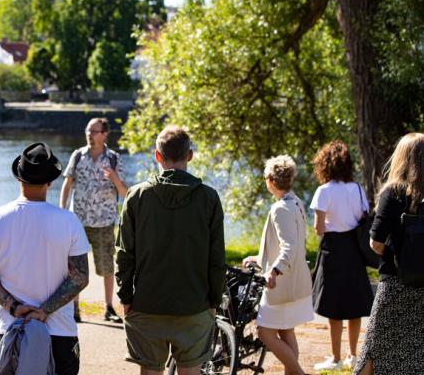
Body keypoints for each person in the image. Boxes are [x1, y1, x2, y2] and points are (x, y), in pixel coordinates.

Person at [116, 125, 226, 375]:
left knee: (150, 371)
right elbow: (216, 257)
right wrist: (214, 301)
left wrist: (125, 298)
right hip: (194, 304)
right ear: (190, 155)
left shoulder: (136, 196)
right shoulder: (209, 198)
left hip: (147, 303)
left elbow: (124, 255)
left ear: (157, 156)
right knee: (191, 370)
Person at [0, 142, 90, 375]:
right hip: (59, 331)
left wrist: (15, 307)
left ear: (19, 178)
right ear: (50, 181)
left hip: (10, 328)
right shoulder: (68, 221)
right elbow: (80, 277)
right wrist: (43, 312)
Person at [354, 133, 424, 375]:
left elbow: (376, 242)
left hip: (394, 284)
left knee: (373, 349)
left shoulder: (393, 192)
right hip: (422, 289)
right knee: (415, 354)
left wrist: (397, 253)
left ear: (401, 158)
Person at [243, 155, 313, 375]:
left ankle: (299, 373)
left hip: (281, 282)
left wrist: (272, 271)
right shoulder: (295, 202)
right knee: (285, 331)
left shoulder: (280, 208)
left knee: (265, 333)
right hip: (296, 279)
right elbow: (293, 242)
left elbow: (289, 246)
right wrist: (261, 257)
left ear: (271, 180)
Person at [310, 141, 373, 372]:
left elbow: (318, 229)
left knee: (334, 304)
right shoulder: (357, 188)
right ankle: (353, 354)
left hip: (333, 249)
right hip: (353, 249)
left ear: (325, 164)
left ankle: (335, 358)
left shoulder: (324, 190)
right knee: (354, 304)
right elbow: (362, 217)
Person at [60, 117, 127, 323]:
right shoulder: (78, 155)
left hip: (104, 221)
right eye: (88, 131)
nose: (90, 135)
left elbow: (125, 193)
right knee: (74, 266)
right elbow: (67, 184)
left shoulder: (114, 159)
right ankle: (75, 309)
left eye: (94, 131)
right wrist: (62, 212)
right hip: (77, 220)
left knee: (107, 266)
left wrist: (114, 178)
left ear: (105, 134)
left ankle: (108, 307)